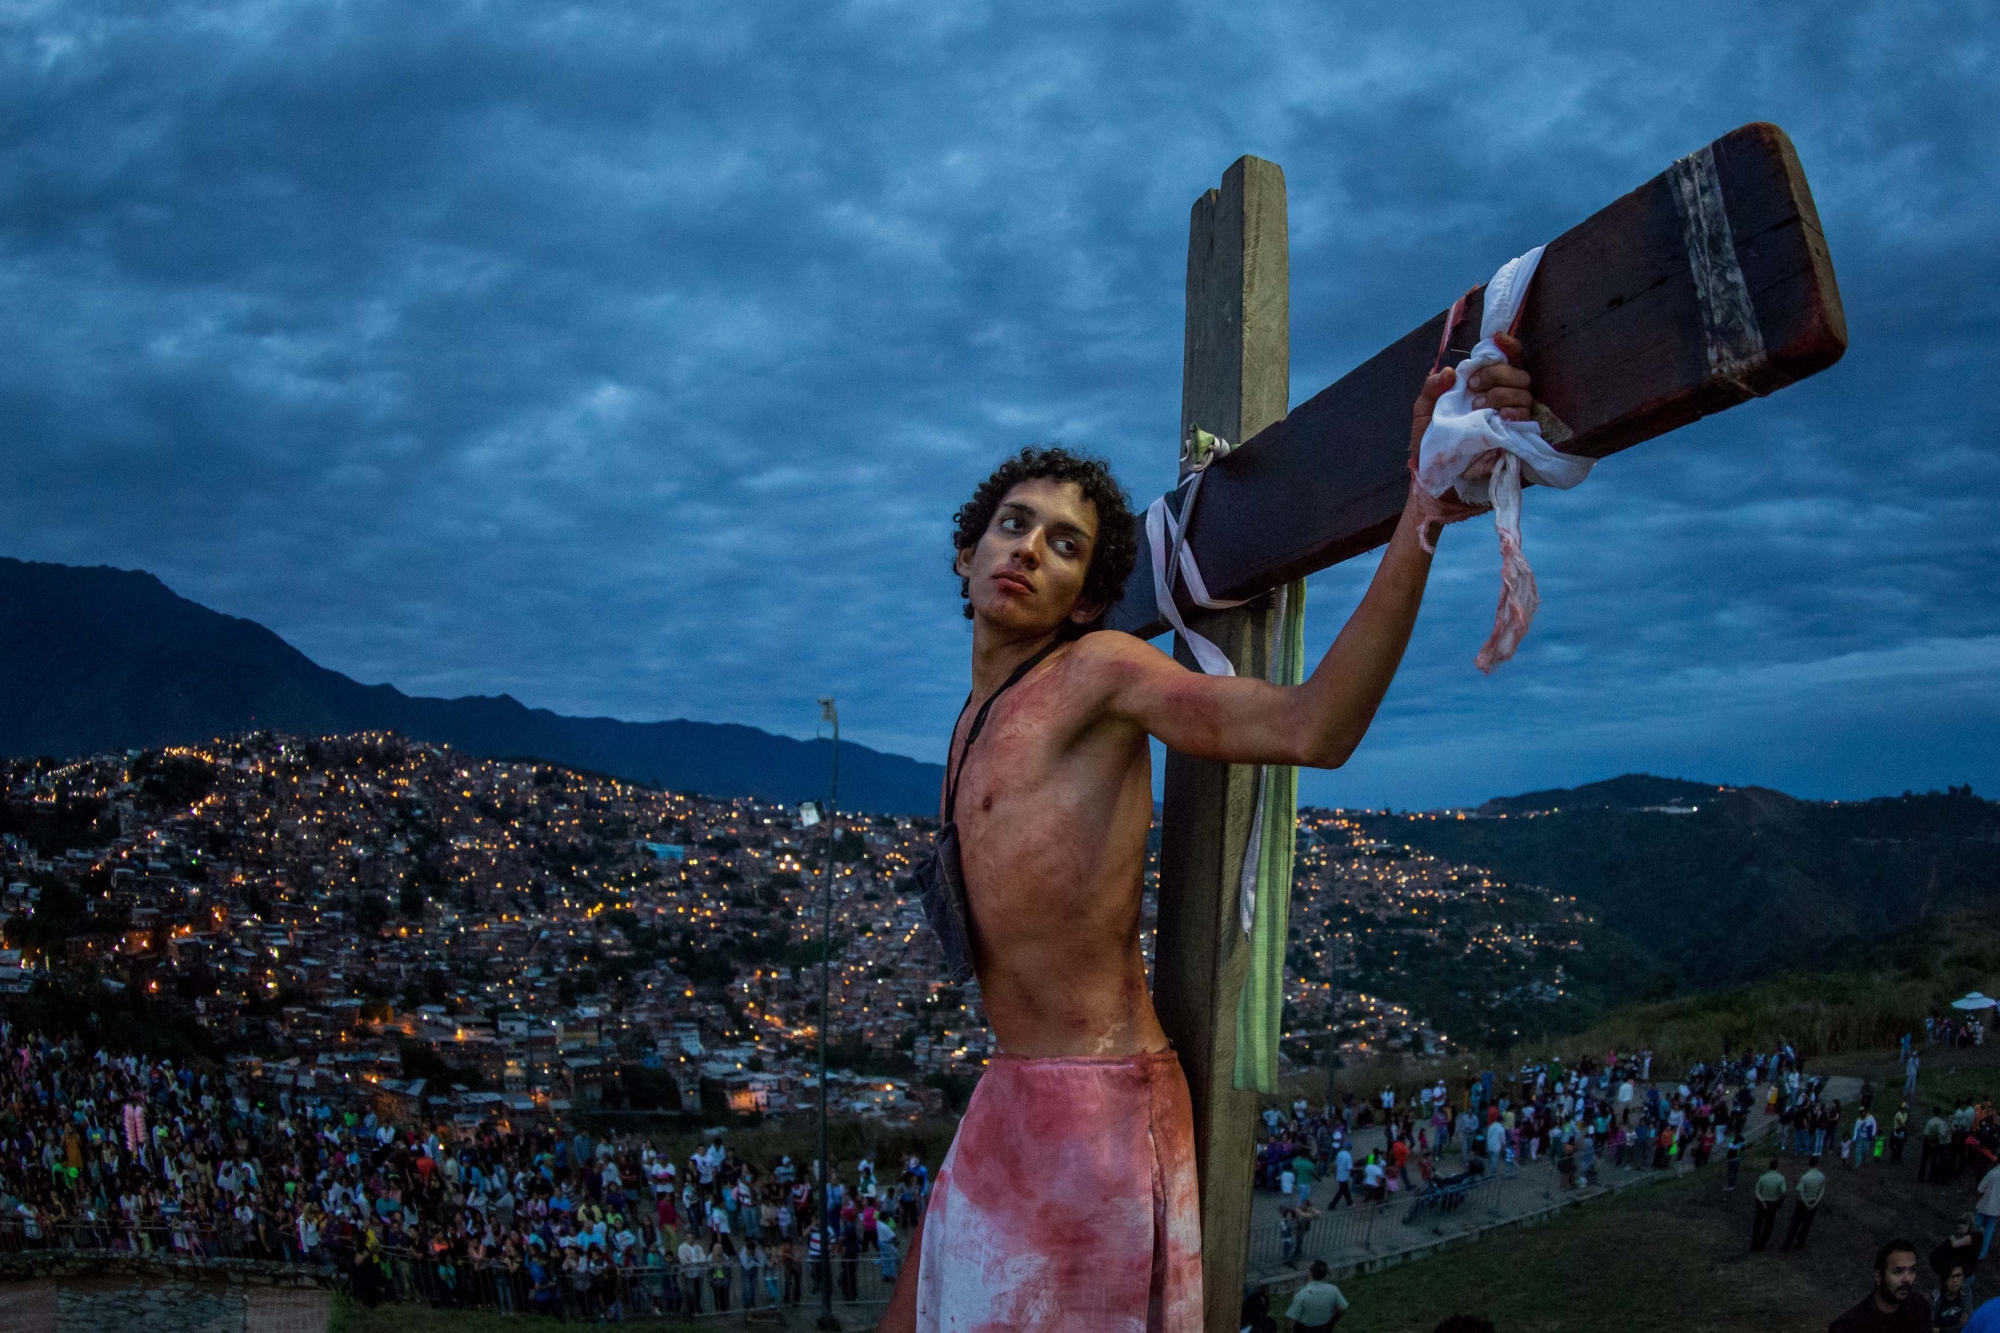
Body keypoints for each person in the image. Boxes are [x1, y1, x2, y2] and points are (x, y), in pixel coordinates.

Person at [878, 352, 1541, 1333]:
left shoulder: (1097, 672)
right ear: (965, 553)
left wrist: (1422, 510)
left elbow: (1313, 726)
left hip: (1096, 1108)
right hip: (1011, 1089)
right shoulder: (972, 714)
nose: (1025, 549)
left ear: (1089, 598)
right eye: (1012, 524)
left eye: (1063, 544)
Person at [1829, 1239, 1930, 1332]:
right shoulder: (1850, 1327)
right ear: (1878, 1277)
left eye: (1912, 1270)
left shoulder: (1919, 1307)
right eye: (1898, 1271)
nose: (1907, 1278)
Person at [1284, 1261, 1348, 1332]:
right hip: (1325, 1327)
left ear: (1310, 1273)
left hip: (1305, 1329)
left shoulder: (1301, 1294)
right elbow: (1342, 1308)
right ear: (1325, 1274)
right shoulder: (1333, 1289)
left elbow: (1291, 1320)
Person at [1781, 1156, 1826, 1252]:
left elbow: (1800, 1191)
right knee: (1807, 1224)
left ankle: (1788, 1243)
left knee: (1795, 1223)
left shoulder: (1805, 1177)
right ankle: (1800, 1243)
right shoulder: (1821, 1176)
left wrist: (1805, 1202)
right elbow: (1822, 1190)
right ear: (1817, 1164)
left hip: (1802, 1203)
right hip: (1813, 1201)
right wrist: (1816, 1202)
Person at [1752, 1159, 1787, 1252]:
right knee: (1768, 1225)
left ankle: (1754, 1243)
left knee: (1758, 1224)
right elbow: (1783, 1191)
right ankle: (1762, 1245)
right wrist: (1778, 1198)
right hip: (1772, 1203)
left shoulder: (1763, 1177)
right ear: (1777, 1167)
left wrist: (1762, 1201)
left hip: (1762, 1203)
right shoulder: (1781, 1178)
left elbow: (1757, 1191)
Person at [1979, 1161, 2000, 1260]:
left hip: (1985, 1204)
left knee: (1976, 1226)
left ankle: (1971, 1247)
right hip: (1996, 1208)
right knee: (1989, 1231)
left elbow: (1980, 1189)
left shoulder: (1992, 1173)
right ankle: (1982, 1253)